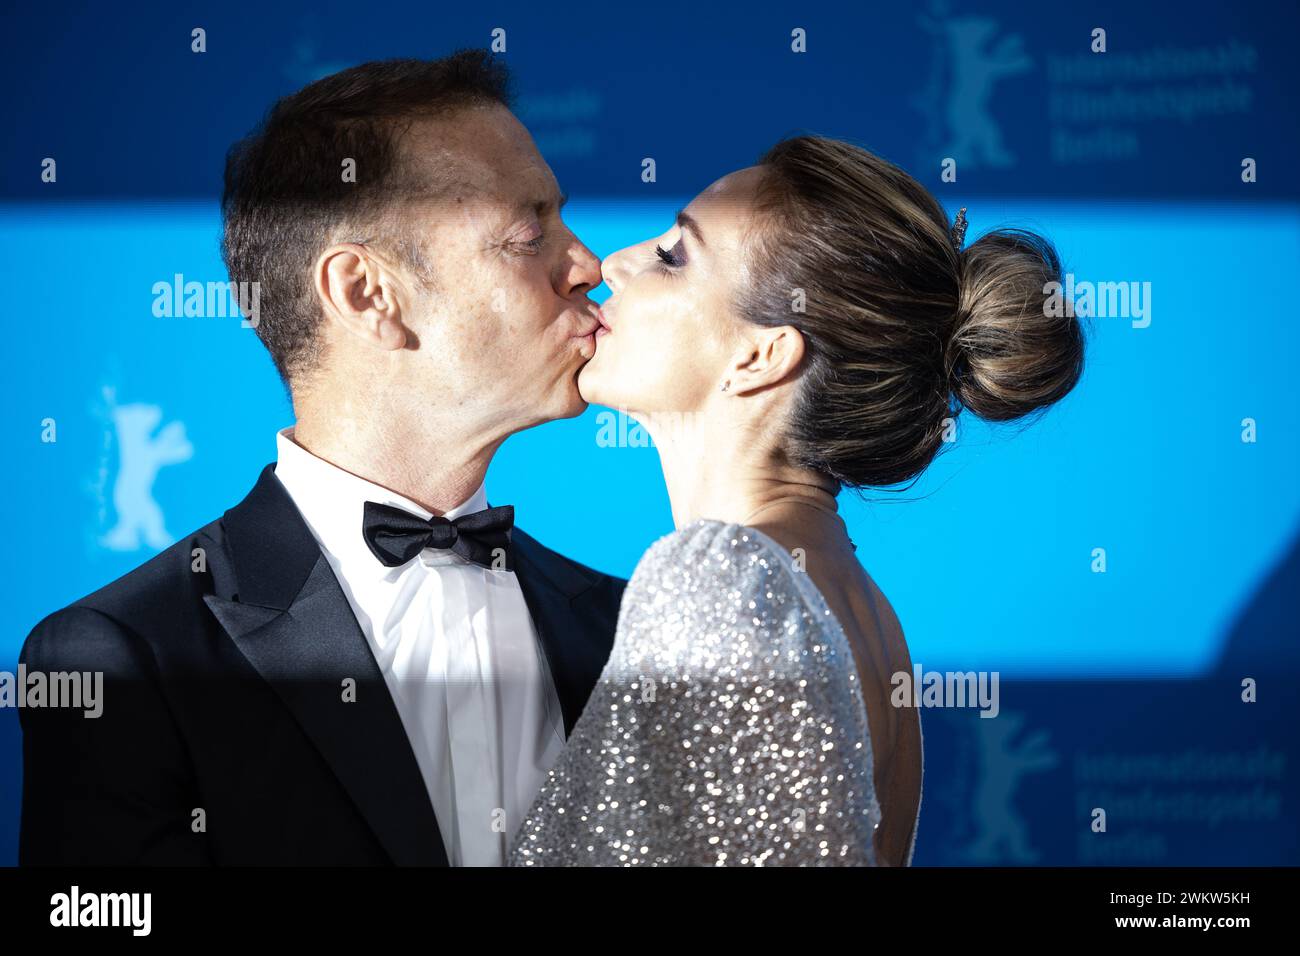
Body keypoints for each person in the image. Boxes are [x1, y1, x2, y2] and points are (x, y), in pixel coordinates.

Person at [18, 52, 625, 866]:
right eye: (528, 233)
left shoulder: (628, 628)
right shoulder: (127, 656)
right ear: (367, 294)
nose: (589, 265)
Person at [508, 136, 1086, 866]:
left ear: (762, 355)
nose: (613, 264)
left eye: (674, 255)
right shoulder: (865, 614)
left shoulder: (721, 581)